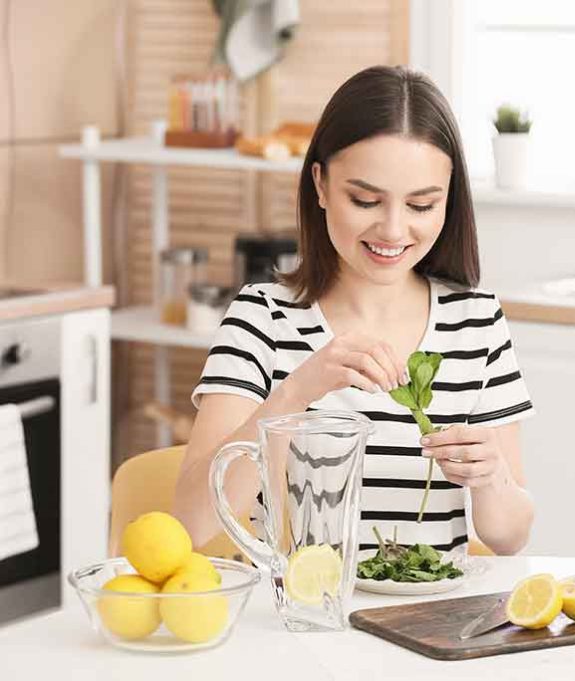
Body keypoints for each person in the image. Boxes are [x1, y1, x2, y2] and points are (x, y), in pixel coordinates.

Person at [173, 65, 535, 555]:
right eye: (365, 199)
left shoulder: (477, 324)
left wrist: (492, 479)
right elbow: (191, 523)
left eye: (422, 206)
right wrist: (299, 390)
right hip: (299, 616)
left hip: (426, 623)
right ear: (320, 184)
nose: (392, 229)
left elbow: (510, 538)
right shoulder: (261, 319)